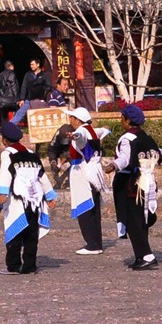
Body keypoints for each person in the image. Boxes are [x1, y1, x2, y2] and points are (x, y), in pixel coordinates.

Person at [105, 105, 162, 270]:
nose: (120, 120)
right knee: (141, 219)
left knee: (133, 220)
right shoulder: (146, 137)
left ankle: (146, 255)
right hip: (147, 182)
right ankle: (141, 255)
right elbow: (154, 152)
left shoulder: (127, 138)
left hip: (130, 183)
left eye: (122, 117)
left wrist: (113, 165)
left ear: (128, 120)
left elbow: (125, 158)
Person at [0, 121, 56, 275]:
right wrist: (50, 195)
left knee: (14, 231)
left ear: (5, 140)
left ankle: (13, 266)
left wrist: (2, 192)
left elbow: (6, 173)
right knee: (31, 234)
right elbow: (41, 176)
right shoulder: (31, 154)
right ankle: (29, 266)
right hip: (35, 199)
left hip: (17, 199)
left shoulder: (7, 153)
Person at [63, 106, 107, 254]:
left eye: (72, 118)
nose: (70, 120)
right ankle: (96, 242)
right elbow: (104, 131)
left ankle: (92, 244)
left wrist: (74, 136)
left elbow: (80, 136)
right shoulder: (93, 130)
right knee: (94, 208)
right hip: (95, 171)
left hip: (83, 172)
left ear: (77, 120)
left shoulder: (81, 131)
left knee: (85, 207)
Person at [10, 58, 52, 125]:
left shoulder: (44, 75)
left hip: (40, 100)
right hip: (29, 99)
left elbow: (49, 86)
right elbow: (24, 86)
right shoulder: (28, 74)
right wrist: (22, 99)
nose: (31, 66)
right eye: (30, 65)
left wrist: (42, 91)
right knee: (20, 113)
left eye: (33, 64)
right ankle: (10, 125)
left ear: (38, 64)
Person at [45, 120, 75, 190]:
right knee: (54, 167)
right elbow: (51, 149)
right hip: (61, 151)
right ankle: (59, 182)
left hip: (72, 153)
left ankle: (69, 182)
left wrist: (65, 159)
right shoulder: (58, 135)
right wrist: (53, 161)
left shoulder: (76, 133)